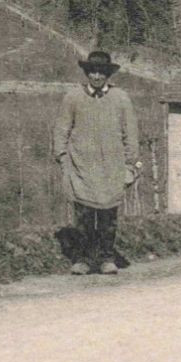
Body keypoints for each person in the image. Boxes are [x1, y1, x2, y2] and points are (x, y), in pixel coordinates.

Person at [53, 50, 140, 275]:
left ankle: (106, 258)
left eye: (102, 72)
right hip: (82, 167)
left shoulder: (121, 98)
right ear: (86, 73)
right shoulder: (72, 98)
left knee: (107, 217)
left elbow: (130, 133)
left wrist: (131, 165)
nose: (97, 76)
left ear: (108, 75)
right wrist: (63, 159)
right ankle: (82, 259)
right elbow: (61, 130)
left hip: (111, 168)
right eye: (93, 71)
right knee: (83, 216)